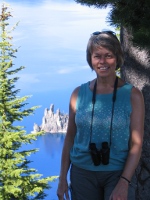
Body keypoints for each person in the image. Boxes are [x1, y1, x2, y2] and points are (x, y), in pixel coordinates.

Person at [57, 30, 145, 200]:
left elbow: (136, 143)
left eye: (108, 55)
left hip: (117, 173)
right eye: (97, 56)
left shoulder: (132, 95)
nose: (102, 61)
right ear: (90, 59)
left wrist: (124, 182)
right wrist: (62, 179)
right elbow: (69, 138)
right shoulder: (78, 94)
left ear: (117, 58)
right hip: (82, 174)